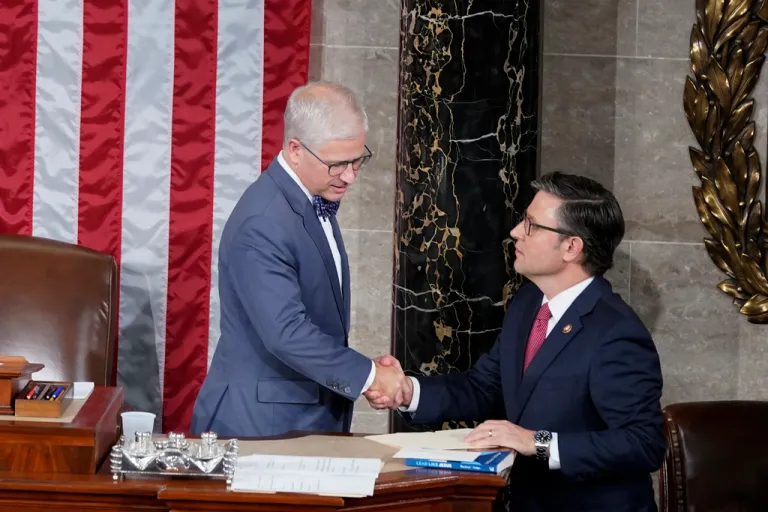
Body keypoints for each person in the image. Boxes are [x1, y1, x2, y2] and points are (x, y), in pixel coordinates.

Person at [366, 172, 665, 512]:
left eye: (531, 225)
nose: (515, 232)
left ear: (571, 247)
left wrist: (534, 441)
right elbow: (484, 387)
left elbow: (644, 443)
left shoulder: (615, 332)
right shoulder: (526, 305)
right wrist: (409, 391)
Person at [190, 81, 409, 437]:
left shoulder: (310, 197)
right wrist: (368, 375)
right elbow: (286, 331)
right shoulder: (263, 221)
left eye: (358, 160)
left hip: (302, 417)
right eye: (338, 164)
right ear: (295, 150)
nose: (351, 176)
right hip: (263, 427)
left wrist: (366, 370)